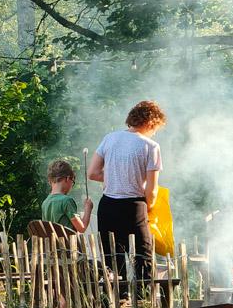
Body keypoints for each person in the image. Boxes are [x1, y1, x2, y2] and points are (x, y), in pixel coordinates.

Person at [87, 100, 166, 293]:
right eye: (156, 127)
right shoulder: (151, 146)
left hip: (108, 206)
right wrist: (149, 208)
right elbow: (152, 191)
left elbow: (93, 173)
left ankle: (115, 300)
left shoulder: (110, 138)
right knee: (143, 254)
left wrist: (116, 175)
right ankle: (143, 300)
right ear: (150, 122)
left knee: (112, 256)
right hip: (134, 206)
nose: (155, 132)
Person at [41, 160, 94, 233]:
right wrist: (88, 209)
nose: (72, 186)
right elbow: (82, 228)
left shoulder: (45, 202)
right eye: (73, 182)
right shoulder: (67, 201)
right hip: (68, 243)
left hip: (53, 244)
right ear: (67, 178)